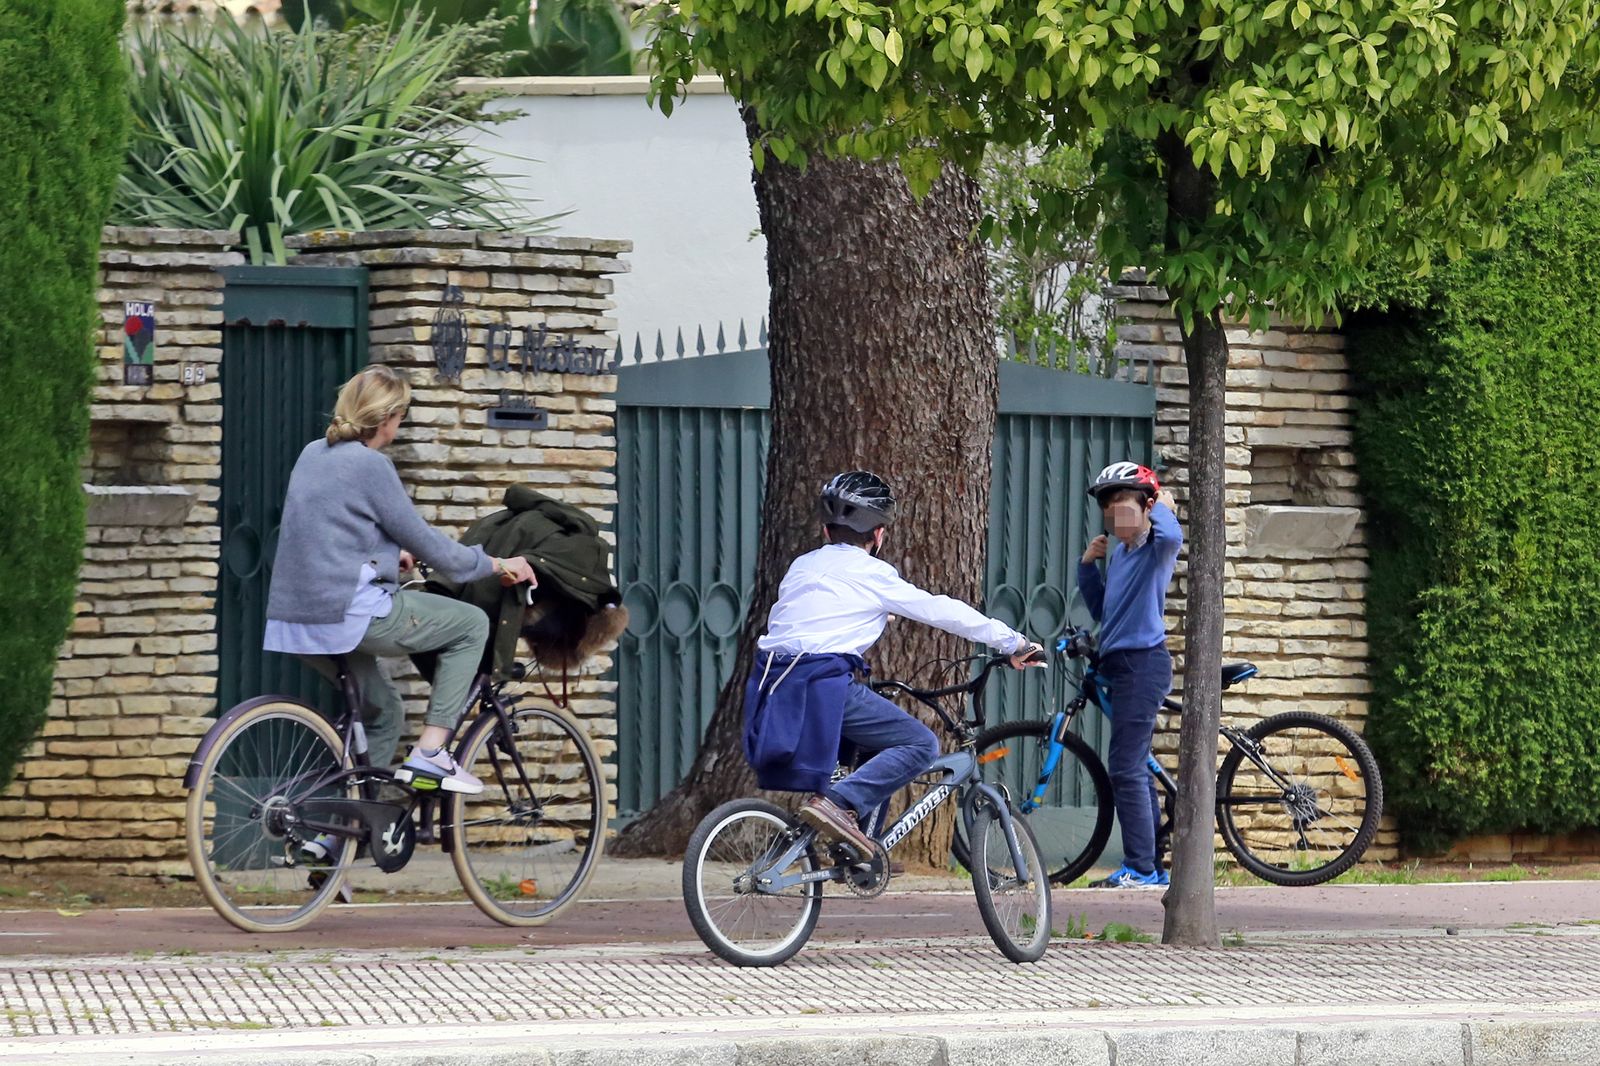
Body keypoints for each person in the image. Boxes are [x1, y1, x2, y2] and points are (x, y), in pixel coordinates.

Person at [263, 365, 537, 820]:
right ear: (388, 417)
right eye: (401, 416)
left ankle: (332, 840)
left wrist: (391, 557)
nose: (400, 425)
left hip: (296, 621)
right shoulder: (372, 465)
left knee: (385, 714)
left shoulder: (313, 454)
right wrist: (496, 563)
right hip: (348, 616)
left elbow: (331, 532)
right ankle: (431, 753)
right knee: (471, 624)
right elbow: (435, 548)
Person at [743, 470, 1044, 857]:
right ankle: (837, 805)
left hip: (775, 685)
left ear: (825, 530)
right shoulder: (873, 574)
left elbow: (809, 616)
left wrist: (873, 614)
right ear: (879, 534)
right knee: (920, 743)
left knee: (875, 745)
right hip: (825, 684)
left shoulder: (802, 566)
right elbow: (942, 611)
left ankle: (856, 847)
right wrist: (1014, 642)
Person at [1077, 461, 1183, 888]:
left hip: (1143, 663)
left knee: (1125, 766)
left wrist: (1163, 502)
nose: (1117, 519)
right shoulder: (1119, 552)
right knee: (1131, 764)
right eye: (1110, 511)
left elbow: (1174, 533)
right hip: (1118, 663)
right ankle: (1148, 863)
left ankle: (1142, 868)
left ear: (1146, 508)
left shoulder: (1157, 546)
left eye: (1125, 509)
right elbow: (1105, 611)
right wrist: (1087, 566)